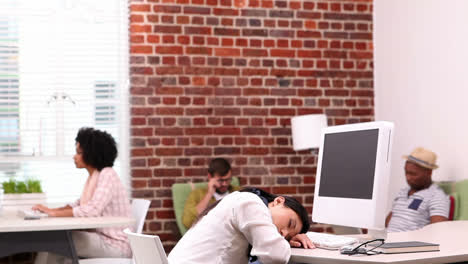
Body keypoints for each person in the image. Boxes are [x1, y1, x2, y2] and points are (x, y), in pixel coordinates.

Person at [33, 127, 132, 264]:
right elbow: (78, 205)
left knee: (53, 241)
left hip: (115, 245)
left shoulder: (108, 174)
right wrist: (50, 210)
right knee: (55, 245)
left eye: (79, 153)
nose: (74, 156)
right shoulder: (94, 177)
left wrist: (52, 213)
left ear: (92, 154)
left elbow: (92, 210)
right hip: (100, 239)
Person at [169, 187, 315, 264]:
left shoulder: (240, 200)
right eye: (290, 223)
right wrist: (287, 243)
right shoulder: (251, 202)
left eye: (287, 235)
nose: (283, 232)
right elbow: (276, 255)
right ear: (278, 201)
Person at [386, 147, 450, 232]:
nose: (408, 177)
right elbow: (388, 223)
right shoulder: (403, 192)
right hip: (386, 239)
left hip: (405, 244)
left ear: (429, 172)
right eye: (406, 172)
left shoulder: (436, 196)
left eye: (413, 174)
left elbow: (438, 232)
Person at [182, 158, 240, 229]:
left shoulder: (238, 192)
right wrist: (209, 194)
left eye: (228, 179)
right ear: (210, 177)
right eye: (220, 180)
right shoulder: (197, 194)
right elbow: (188, 222)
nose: (225, 184)